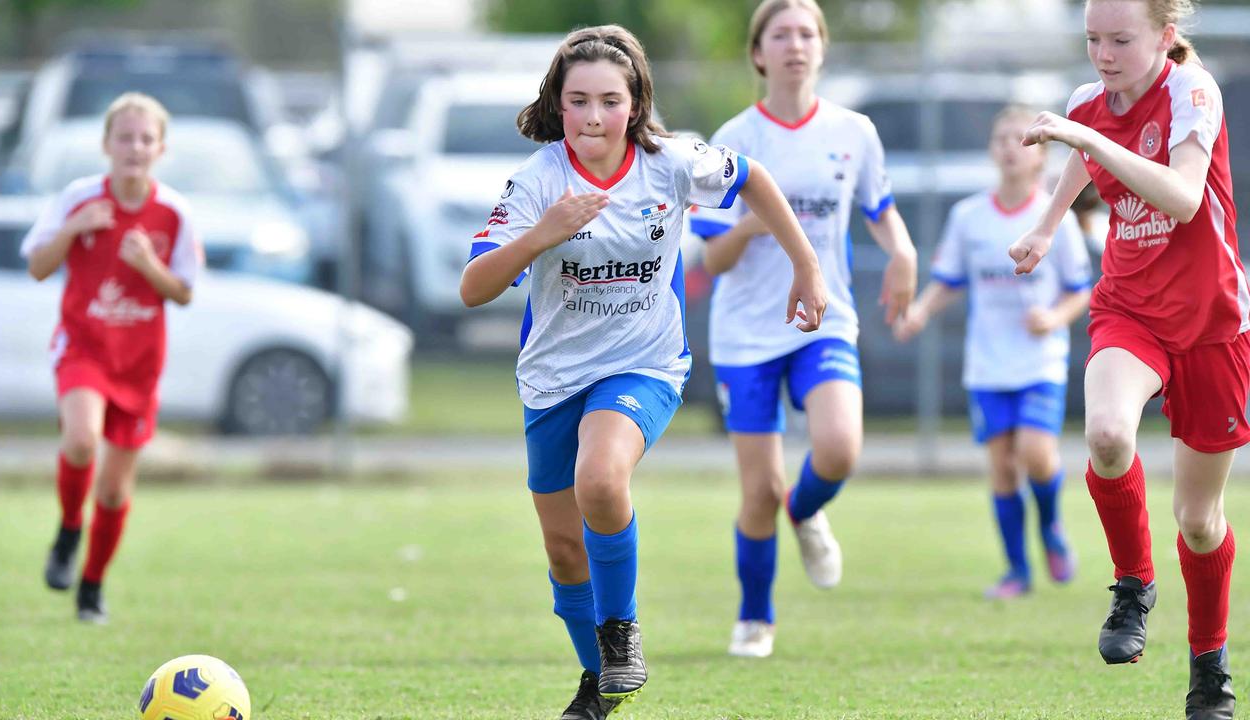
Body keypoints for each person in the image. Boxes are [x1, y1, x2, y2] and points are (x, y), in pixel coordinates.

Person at [459, 25, 826, 719]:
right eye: (577, 102)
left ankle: (620, 633)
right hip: (551, 381)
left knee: (601, 478)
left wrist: (806, 265)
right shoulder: (538, 183)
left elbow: (756, 179)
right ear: (556, 106)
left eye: (609, 100)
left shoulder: (671, 161)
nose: (594, 117)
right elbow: (473, 288)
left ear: (635, 104)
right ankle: (598, 680)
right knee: (566, 554)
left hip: (644, 366)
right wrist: (545, 233)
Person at [1008, 1, 1243, 716]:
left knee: (1199, 521)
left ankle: (1209, 668)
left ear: (1165, 38)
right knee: (1108, 435)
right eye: (1091, 40)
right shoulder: (1091, 104)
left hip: (1212, 323)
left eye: (1120, 39)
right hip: (1130, 309)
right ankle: (1134, 584)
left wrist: (1085, 135)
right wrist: (1046, 229)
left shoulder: (1191, 92)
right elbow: (1083, 163)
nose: (1102, 55)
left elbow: (1178, 196)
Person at [688, 0, 917, 658]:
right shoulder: (733, 139)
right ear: (758, 54)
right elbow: (714, 256)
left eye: (807, 33)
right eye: (781, 33)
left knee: (839, 449)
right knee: (757, 490)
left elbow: (880, 210)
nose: (796, 44)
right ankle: (755, 615)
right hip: (747, 334)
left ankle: (806, 508)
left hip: (824, 321)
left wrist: (902, 252)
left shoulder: (855, 131)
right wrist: (762, 219)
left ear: (822, 48)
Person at [894, 105, 1093, 600]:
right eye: (1002, 138)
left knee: (1036, 454)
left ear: (1042, 159)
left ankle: (1050, 528)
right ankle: (1017, 571)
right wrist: (919, 312)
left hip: (1038, 362)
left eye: (1021, 140)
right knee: (1002, 466)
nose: (1010, 147)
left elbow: (1080, 289)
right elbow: (949, 280)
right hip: (987, 365)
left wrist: (1052, 318)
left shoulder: (1055, 219)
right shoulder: (969, 216)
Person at [26, 92, 201, 624]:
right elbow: (37, 265)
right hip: (84, 348)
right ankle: (67, 530)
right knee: (80, 441)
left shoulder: (173, 213)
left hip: (138, 363)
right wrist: (73, 230)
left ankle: (92, 586)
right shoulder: (78, 198)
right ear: (106, 145)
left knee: (115, 487)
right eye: (124, 137)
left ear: (161, 149)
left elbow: (185, 291)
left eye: (145, 139)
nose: (134, 147)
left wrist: (149, 265)